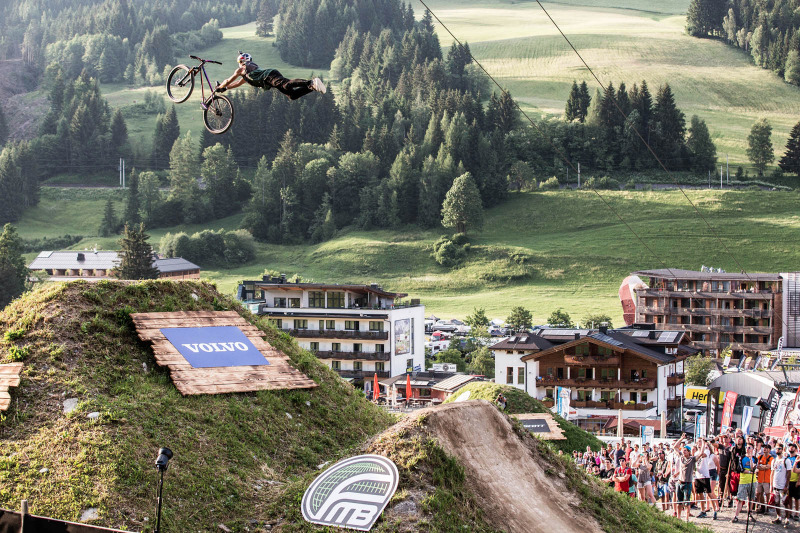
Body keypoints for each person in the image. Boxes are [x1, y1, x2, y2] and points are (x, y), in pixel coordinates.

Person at [216, 52, 326, 100]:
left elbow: (229, 80)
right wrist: (225, 88)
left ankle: (311, 82)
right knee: (292, 95)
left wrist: (220, 86)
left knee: (287, 85)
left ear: (241, 61)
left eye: (239, 62)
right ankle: (312, 87)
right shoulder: (247, 74)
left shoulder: (242, 69)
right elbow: (237, 83)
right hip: (270, 78)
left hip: (269, 76)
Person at [732, 444, 757, 523]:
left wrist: (750, 459)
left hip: (752, 481)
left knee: (751, 498)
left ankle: (750, 513)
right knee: (740, 499)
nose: (747, 449)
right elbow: (741, 469)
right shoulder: (741, 458)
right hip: (743, 481)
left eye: (749, 447)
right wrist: (750, 471)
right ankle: (736, 516)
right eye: (746, 447)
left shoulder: (755, 458)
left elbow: (754, 468)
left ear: (752, 449)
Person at [772, 443, 789, 525]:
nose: (777, 450)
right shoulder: (774, 460)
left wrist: (786, 485)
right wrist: (772, 484)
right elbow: (772, 472)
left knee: (785, 502)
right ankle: (779, 517)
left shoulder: (786, 460)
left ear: (782, 449)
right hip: (775, 485)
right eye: (776, 448)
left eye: (779, 449)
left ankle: (787, 518)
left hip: (783, 486)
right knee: (776, 502)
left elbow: (789, 473)